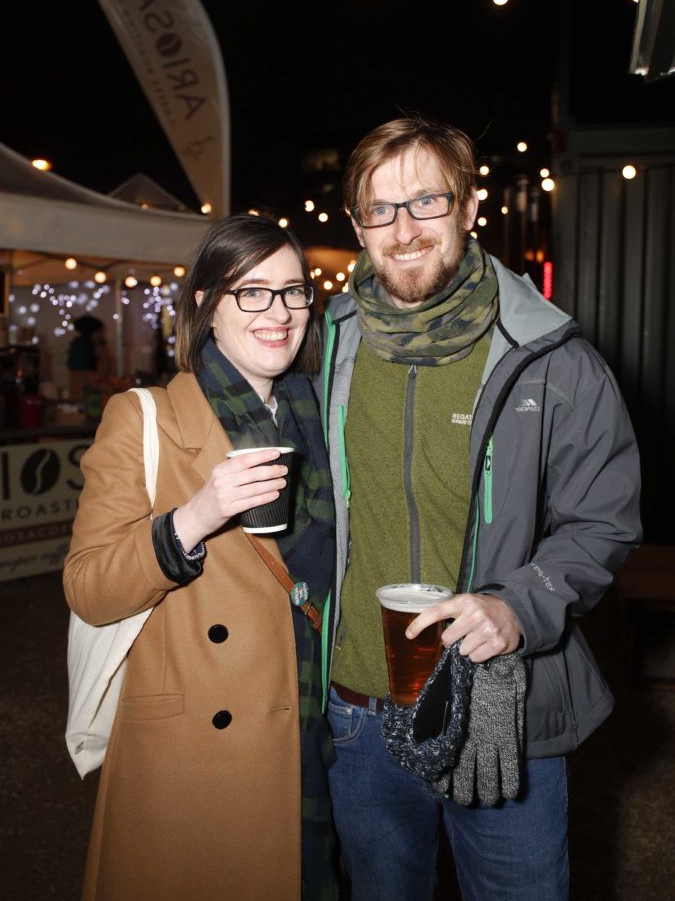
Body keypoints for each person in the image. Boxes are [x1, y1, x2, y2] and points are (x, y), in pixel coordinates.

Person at [315, 116, 641, 901]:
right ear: (357, 224)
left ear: (468, 208)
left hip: (501, 712)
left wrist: (519, 607)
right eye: (379, 209)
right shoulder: (325, 346)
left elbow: (602, 522)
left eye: (426, 201)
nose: (403, 229)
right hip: (357, 711)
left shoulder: (553, 358)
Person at [63, 214, 338, 901]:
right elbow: (89, 587)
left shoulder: (326, 415)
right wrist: (195, 517)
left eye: (292, 291)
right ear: (206, 307)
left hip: (317, 731)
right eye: (251, 292)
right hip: (197, 749)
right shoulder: (145, 418)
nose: (277, 313)